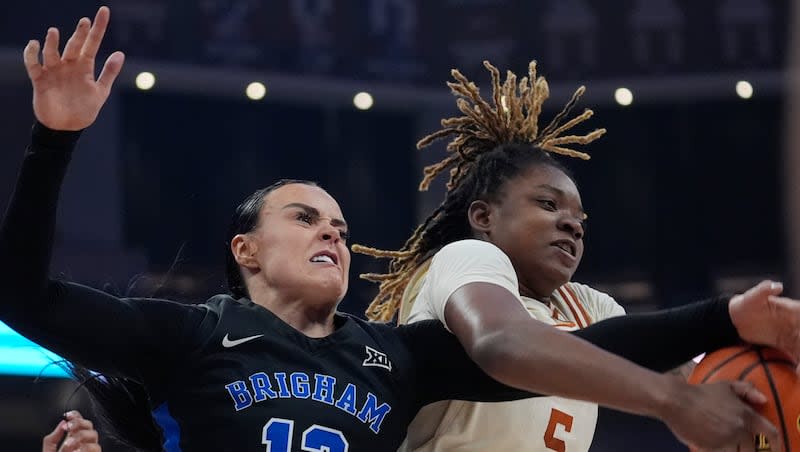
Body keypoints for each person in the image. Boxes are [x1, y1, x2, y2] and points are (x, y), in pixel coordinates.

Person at [2, 6, 798, 452]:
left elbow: (585, 349)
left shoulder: (391, 357)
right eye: (306, 217)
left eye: (344, 227)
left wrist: (726, 318)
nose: (334, 235)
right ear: (245, 249)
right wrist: (54, 138)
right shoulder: (194, 336)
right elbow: (22, 294)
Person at [355, 61, 800, 451]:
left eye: (579, 218)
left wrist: (763, 369)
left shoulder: (589, 307)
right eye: (548, 205)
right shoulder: (466, 258)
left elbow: (701, 372)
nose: (573, 224)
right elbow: (502, 343)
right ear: (483, 216)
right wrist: (674, 400)